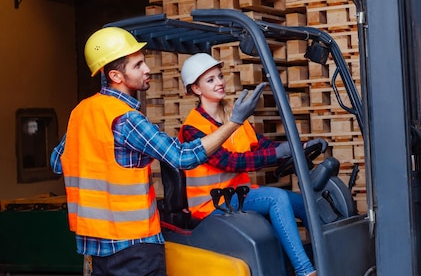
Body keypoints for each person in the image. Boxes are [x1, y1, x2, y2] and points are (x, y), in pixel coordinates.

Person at [50, 27, 265, 276]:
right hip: (134, 246)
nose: (147, 69)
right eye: (138, 65)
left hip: (95, 246)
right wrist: (234, 121)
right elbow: (183, 157)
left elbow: (58, 162)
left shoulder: (81, 112)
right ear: (116, 76)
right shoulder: (127, 119)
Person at [178, 53, 327, 276]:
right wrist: (279, 153)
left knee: (307, 202)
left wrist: (300, 147)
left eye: (219, 76)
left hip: (238, 195)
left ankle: (325, 259)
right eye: (210, 80)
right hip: (212, 203)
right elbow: (231, 162)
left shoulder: (233, 116)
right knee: (276, 198)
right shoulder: (193, 129)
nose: (219, 82)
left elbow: (263, 145)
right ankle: (306, 271)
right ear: (196, 89)